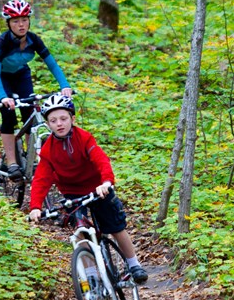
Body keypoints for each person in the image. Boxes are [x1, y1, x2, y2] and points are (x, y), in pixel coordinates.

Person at [28, 95, 148, 284]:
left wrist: (106, 182)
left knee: (116, 226)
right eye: (53, 121)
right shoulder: (48, 149)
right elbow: (41, 179)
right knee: (81, 230)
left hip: (98, 188)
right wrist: (35, 206)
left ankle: (133, 264)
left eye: (63, 119)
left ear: (72, 119)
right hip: (72, 193)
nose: (59, 124)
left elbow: (101, 160)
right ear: (48, 125)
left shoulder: (83, 138)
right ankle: (91, 275)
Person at [0, 0, 72, 180]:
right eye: (16, 21)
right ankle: (12, 162)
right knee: (8, 115)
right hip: (0, 76)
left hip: (21, 74)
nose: (21, 24)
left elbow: (53, 65)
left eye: (24, 20)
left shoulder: (34, 40)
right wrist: (3, 97)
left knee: (30, 114)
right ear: (8, 23)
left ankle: (32, 160)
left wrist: (65, 86)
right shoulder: (2, 42)